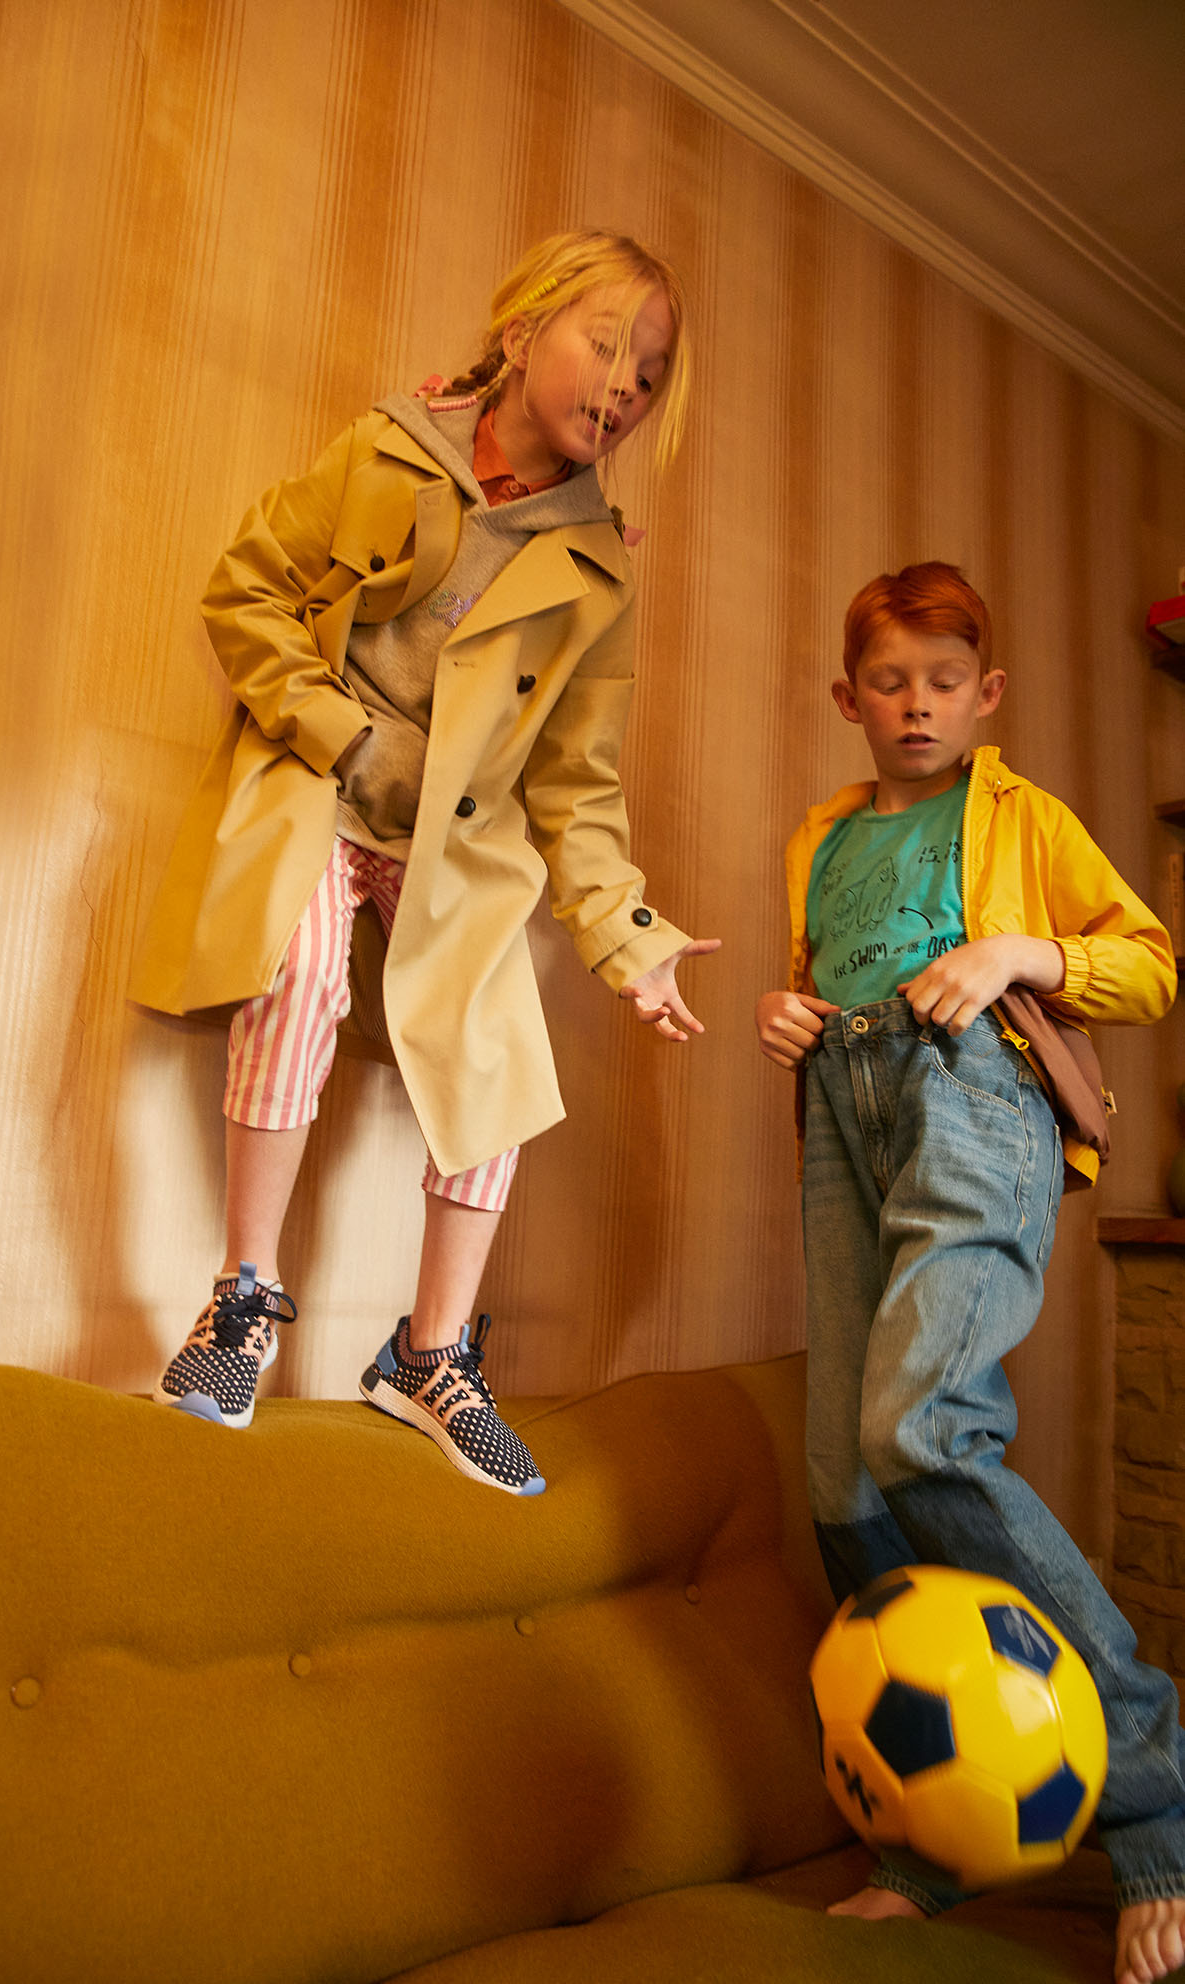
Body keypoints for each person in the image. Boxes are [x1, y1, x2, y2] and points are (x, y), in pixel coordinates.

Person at [130, 228, 719, 1495]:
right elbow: (246, 589)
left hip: (458, 833)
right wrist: (341, 736)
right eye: (607, 346)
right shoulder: (386, 447)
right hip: (320, 780)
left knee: (501, 1051)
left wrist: (628, 936)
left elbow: (575, 779)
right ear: (520, 333)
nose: (625, 387)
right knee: (299, 971)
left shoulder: (598, 572)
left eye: (650, 374)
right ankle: (241, 1298)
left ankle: (430, 1354)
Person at [753, 561, 1183, 1984]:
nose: (917, 705)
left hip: (973, 1107)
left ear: (984, 694)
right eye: (889, 682)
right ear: (848, 698)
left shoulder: (1020, 817)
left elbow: (1148, 965)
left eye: (943, 681)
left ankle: (1156, 1807)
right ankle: (933, 1840)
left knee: (920, 1428)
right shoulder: (820, 836)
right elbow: (828, 977)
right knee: (845, 1483)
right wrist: (784, 1009)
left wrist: (1014, 952)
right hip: (844, 1119)